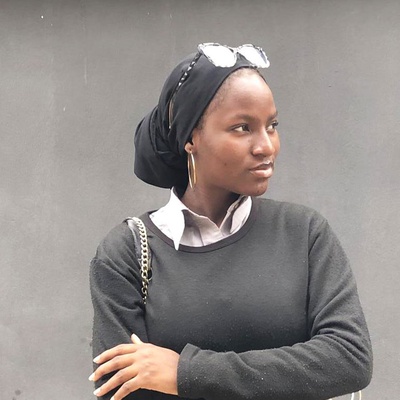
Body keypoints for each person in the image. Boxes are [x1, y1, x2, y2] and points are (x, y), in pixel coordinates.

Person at [89, 43, 373, 400]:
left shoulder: (303, 234)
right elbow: (120, 389)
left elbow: (349, 358)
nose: (266, 146)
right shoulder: (127, 253)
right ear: (191, 138)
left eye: (272, 126)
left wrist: (185, 373)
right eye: (242, 128)